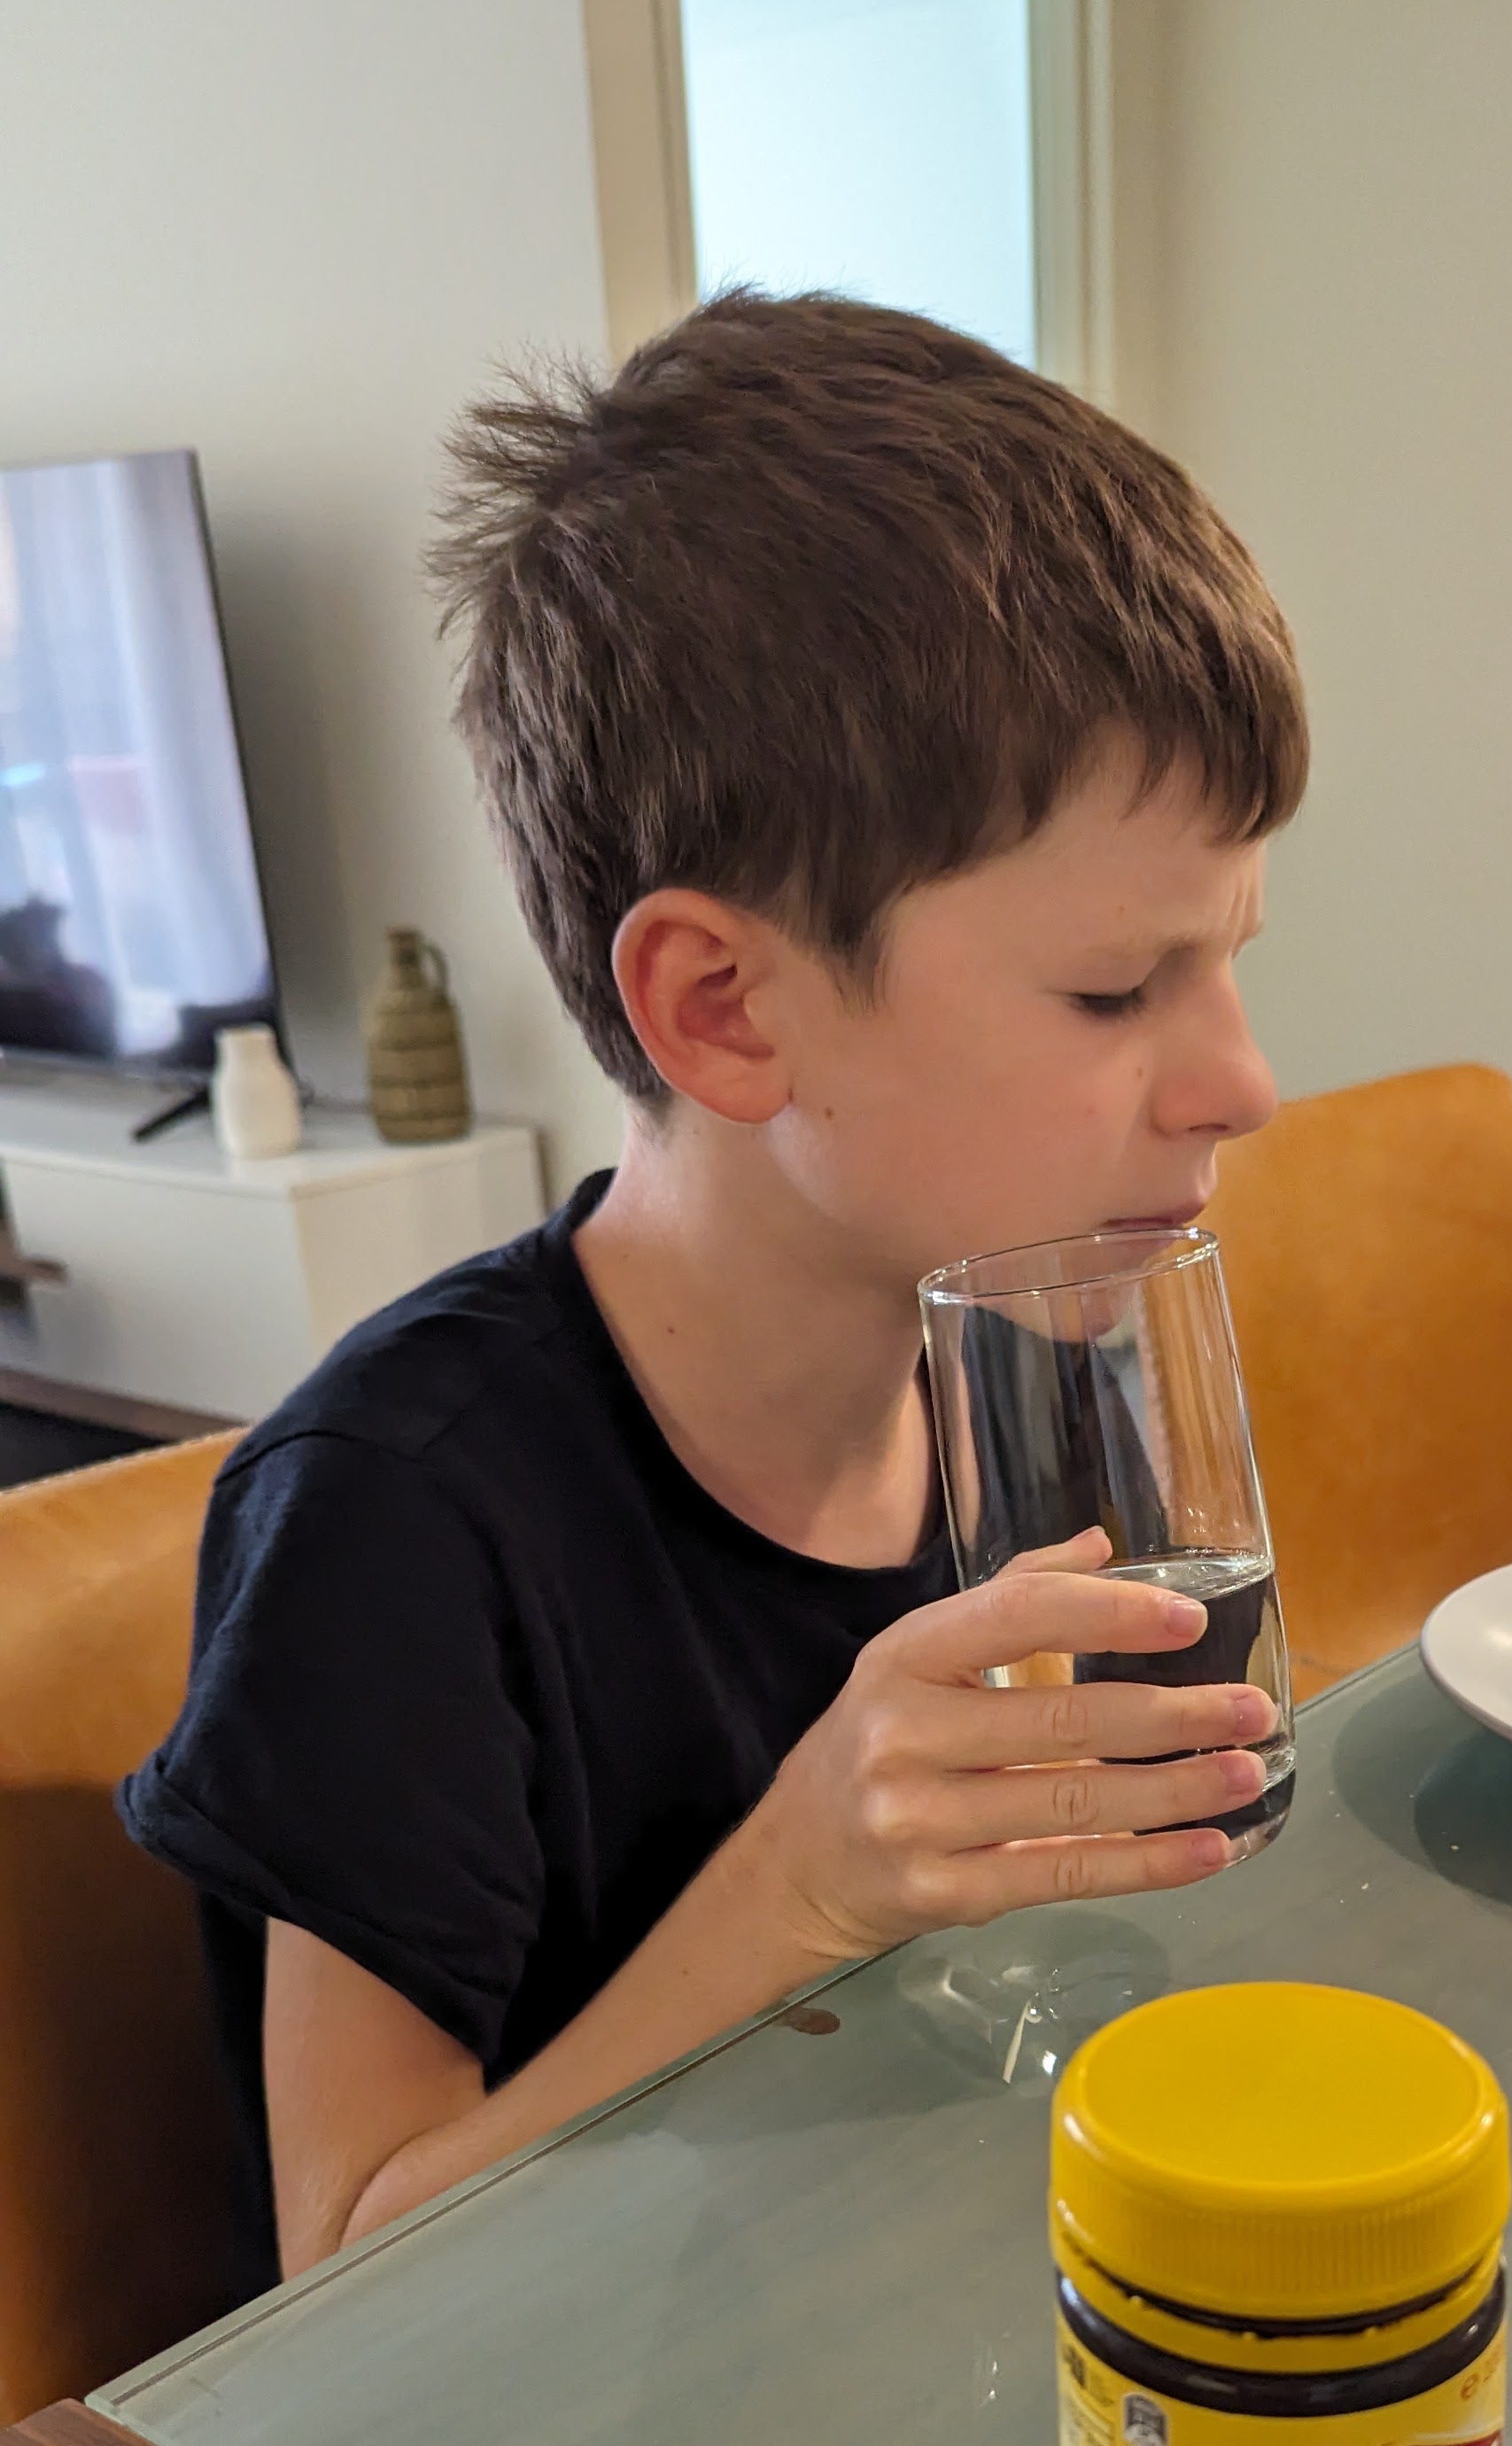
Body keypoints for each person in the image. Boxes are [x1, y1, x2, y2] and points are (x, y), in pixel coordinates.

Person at [120, 292, 1307, 2294]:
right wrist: (802, 1887)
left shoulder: (1039, 1370)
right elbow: (344, 2264)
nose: (1243, 1082)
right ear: (725, 1009)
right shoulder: (399, 1520)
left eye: (1231, 957)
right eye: (1117, 988)